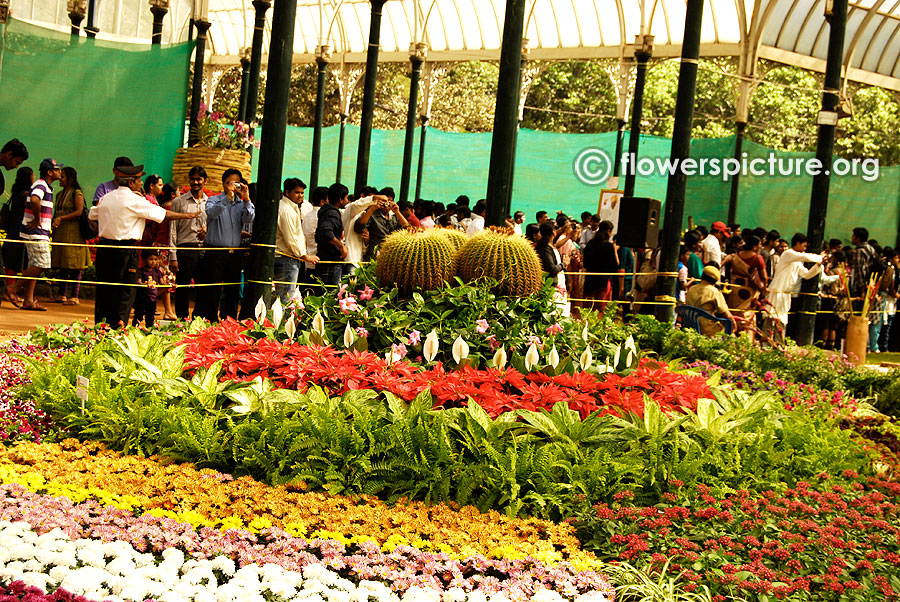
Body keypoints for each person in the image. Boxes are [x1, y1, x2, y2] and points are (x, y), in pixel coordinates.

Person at [89, 164, 200, 327]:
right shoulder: (135, 200)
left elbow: (93, 213)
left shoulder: (107, 197)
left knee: (105, 289)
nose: (141, 184)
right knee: (126, 291)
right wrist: (187, 215)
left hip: (105, 249)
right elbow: (162, 213)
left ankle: (101, 326)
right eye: (139, 180)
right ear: (131, 182)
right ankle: (118, 328)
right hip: (126, 250)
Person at [194, 169, 255, 322]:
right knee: (212, 290)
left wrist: (247, 199)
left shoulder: (242, 204)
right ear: (223, 184)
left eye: (235, 183)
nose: (232, 186)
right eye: (228, 183)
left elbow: (249, 219)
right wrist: (228, 197)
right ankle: (210, 320)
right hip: (215, 252)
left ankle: (229, 322)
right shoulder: (214, 200)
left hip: (234, 253)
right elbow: (212, 213)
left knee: (232, 290)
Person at [20, 158, 62, 311]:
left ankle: (28, 301)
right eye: (56, 169)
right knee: (42, 264)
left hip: (39, 232)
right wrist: (37, 220)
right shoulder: (41, 184)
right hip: (36, 233)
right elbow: (35, 198)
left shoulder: (45, 186)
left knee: (35, 265)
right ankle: (14, 287)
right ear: (49, 172)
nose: (60, 172)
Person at [766, 233, 824, 341]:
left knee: (782, 320)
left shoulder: (797, 261)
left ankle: (778, 345)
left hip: (786, 294)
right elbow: (805, 256)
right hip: (777, 291)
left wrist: (818, 266)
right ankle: (766, 345)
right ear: (797, 244)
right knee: (770, 317)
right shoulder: (788, 254)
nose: (804, 249)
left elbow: (806, 275)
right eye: (804, 246)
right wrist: (819, 257)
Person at [169, 166, 208, 320]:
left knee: (202, 287)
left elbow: (215, 223)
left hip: (205, 250)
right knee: (182, 287)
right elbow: (173, 229)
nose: (195, 182)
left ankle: (198, 318)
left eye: (199, 179)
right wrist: (173, 255)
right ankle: (181, 319)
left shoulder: (210, 202)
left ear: (205, 180)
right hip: (185, 249)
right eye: (193, 179)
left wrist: (208, 229)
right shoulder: (179, 202)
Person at [50, 166, 91, 305]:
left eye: (62, 177)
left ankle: (74, 296)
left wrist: (61, 219)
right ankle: (62, 295)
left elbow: (79, 212)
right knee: (63, 263)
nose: (60, 179)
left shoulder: (77, 193)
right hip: (61, 232)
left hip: (74, 232)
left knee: (74, 263)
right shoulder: (59, 194)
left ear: (70, 179)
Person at [274, 178, 318, 304]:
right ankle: (281, 323)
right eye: (297, 192)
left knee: (286, 296)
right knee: (285, 298)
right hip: (287, 258)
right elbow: (291, 237)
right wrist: (304, 255)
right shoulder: (286, 210)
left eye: (302, 193)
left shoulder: (291, 207)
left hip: (289, 257)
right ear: (287, 193)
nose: (300, 196)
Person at [722, 234, 768, 338]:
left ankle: (732, 334)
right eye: (760, 244)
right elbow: (764, 276)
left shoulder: (738, 253)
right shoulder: (757, 258)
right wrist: (764, 288)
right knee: (747, 315)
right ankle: (746, 338)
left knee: (733, 311)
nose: (761, 247)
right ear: (755, 246)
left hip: (734, 289)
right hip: (749, 290)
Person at [2, 167, 33, 306]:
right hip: (19, 231)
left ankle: (5, 291)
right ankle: (9, 290)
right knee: (15, 261)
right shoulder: (26, 195)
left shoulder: (16, 192)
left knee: (11, 261)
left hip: (12, 229)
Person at [354, 193, 409, 261]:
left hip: (390, 255)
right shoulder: (371, 215)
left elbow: (408, 228)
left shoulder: (394, 217)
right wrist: (371, 209)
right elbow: (358, 228)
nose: (386, 205)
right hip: (374, 255)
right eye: (384, 202)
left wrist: (397, 212)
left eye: (389, 202)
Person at [315, 183, 350, 288]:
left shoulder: (326, 211)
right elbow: (326, 232)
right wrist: (341, 246)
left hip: (325, 260)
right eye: (346, 198)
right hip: (331, 263)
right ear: (340, 199)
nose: (347, 201)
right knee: (329, 294)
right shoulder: (332, 213)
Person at [685, 265, 736, 336]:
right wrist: (734, 323)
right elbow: (726, 314)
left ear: (702, 276)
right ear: (715, 282)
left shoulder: (691, 289)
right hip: (707, 329)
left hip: (690, 326)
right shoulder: (714, 291)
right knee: (732, 336)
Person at [582, 220, 619, 309]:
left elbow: (585, 263)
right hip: (603, 282)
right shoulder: (609, 246)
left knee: (588, 309)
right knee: (600, 309)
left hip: (590, 281)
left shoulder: (590, 244)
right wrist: (615, 249)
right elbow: (615, 265)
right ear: (609, 231)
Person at [536, 221, 569, 315]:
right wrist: (564, 264)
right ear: (553, 232)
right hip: (552, 287)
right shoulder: (546, 249)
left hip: (558, 283)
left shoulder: (550, 246)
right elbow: (552, 268)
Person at [133, 249, 167, 327]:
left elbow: (162, 282)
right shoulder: (141, 271)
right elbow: (139, 282)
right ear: (144, 260)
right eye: (151, 259)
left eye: (155, 259)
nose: (153, 262)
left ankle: (149, 331)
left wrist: (170, 285)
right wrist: (145, 284)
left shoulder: (157, 271)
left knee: (150, 317)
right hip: (141, 299)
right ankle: (134, 329)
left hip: (152, 300)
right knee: (138, 316)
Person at [850, 227, 877, 299]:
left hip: (861, 289)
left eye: (853, 236)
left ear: (858, 238)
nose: (851, 237)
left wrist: (862, 289)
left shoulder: (860, 251)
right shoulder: (871, 249)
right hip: (871, 285)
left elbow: (860, 270)